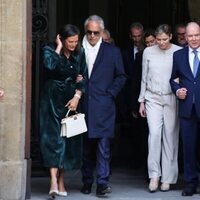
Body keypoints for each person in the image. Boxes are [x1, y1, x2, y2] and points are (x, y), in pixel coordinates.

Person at [80, 15, 126, 197]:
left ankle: (102, 183)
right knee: (85, 148)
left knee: (103, 147)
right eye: (89, 32)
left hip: (104, 106)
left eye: (96, 32)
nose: (92, 36)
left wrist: (110, 94)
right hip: (82, 104)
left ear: (101, 32)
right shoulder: (77, 49)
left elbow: (121, 76)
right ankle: (86, 181)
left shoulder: (112, 52)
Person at [39, 24, 87, 197]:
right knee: (53, 139)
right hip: (51, 99)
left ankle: (61, 180)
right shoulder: (49, 49)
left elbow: (83, 77)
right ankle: (52, 181)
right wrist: (58, 47)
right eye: (70, 41)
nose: (73, 44)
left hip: (70, 100)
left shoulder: (80, 53)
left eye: (76, 41)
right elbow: (50, 66)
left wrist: (77, 96)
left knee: (68, 139)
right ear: (61, 38)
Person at [138, 24, 181, 192]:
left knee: (170, 137)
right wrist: (141, 100)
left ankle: (168, 178)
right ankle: (154, 175)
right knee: (154, 135)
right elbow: (143, 77)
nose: (161, 43)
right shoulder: (148, 52)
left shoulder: (178, 51)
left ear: (170, 36)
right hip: (152, 97)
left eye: (164, 39)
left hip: (172, 97)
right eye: (158, 40)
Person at [170, 22, 200, 196]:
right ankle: (190, 183)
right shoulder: (178, 55)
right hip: (187, 108)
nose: (194, 39)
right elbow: (172, 79)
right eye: (190, 36)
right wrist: (177, 90)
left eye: (197, 35)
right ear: (185, 37)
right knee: (188, 148)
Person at [131, 29, 157, 170]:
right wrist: (135, 105)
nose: (150, 45)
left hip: (164, 99)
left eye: (152, 41)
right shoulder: (141, 56)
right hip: (145, 100)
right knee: (147, 135)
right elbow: (136, 81)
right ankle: (148, 170)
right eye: (147, 43)